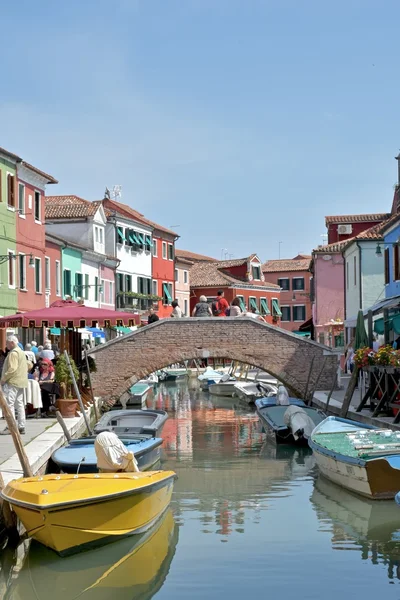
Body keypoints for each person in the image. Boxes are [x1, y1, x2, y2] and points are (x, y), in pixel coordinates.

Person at [0, 335, 28, 435]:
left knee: (9, 404)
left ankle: (11, 427)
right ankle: (21, 425)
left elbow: (12, 368)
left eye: (7, 343)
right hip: (20, 381)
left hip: (12, 381)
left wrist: (3, 379)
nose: (6, 345)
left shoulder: (13, 353)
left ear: (12, 342)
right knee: (19, 404)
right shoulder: (21, 352)